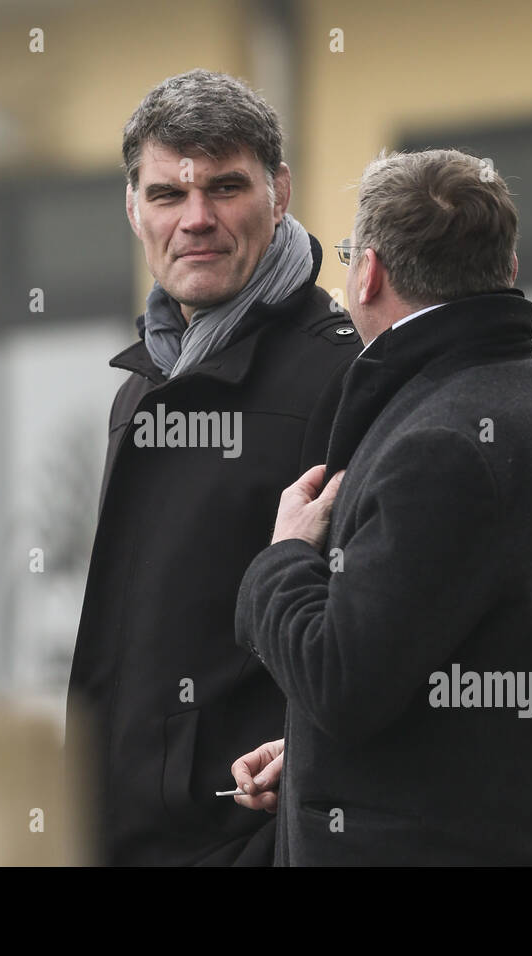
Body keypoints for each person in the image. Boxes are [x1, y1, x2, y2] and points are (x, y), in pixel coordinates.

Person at [230, 148, 532, 865]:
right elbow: (484, 681)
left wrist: (281, 558)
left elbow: (342, 681)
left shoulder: (438, 444)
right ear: (505, 271)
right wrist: (318, 761)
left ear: (368, 272)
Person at [65, 69, 361, 866]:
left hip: (249, 837)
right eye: (167, 195)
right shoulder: (141, 386)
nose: (196, 220)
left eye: (226, 188)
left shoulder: (343, 376)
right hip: (130, 835)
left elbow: (382, 627)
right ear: (133, 208)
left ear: (281, 191)